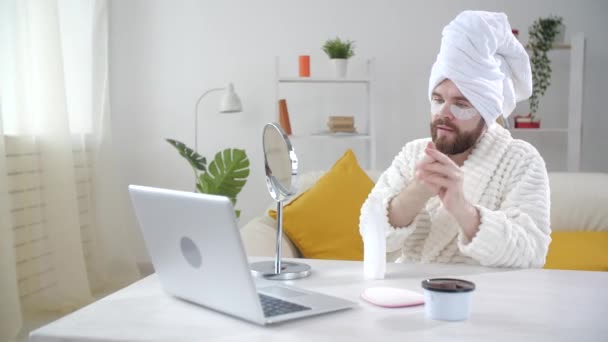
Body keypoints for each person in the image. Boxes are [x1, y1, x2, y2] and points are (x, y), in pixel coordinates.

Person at [359, 11, 551, 279]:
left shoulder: (521, 160)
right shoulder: (412, 154)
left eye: (461, 104)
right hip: (408, 294)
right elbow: (371, 232)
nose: (443, 113)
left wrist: (463, 209)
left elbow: (532, 252)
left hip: (486, 300)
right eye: (438, 100)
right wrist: (417, 191)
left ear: (488, 113)